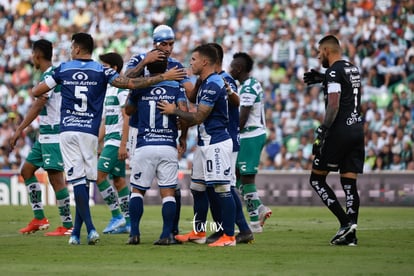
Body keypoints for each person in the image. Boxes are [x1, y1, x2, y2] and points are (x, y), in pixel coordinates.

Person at [31, 32, 186, 245]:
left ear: (76, 48)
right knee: (92, 181)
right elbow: (129, 83)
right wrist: (163, 79)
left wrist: (41, 90)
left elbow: (37, 91)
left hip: (69, 130)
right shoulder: (102, 70)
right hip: (92, 132)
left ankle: (95, 228)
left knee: (82, 182)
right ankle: (77, 232)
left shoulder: (63, 69)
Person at [158, 44, 236, 247]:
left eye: (193, 60)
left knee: (221, 188)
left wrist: (174, 110)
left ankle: (229, 236)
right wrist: (183, 80)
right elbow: (191, 98)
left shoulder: (214, 84)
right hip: (204, 143)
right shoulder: (204, 81)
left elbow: (199, 116)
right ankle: (199, 232)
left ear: (205, 62)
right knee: (197, 188)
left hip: (217, 143)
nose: (190, 63)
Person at [124, 24, 193, 237]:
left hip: (147, 133)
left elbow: (190, 92)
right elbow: (127, 79)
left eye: (171, 44)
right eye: (165, 44)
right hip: (146, 132)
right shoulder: (139, 60)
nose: (169, 48)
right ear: (155, 44)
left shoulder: (176, 66)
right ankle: (167, 232)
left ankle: (164, 229)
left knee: (138, 188)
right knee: (167, 189)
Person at [9, 39, 74, 236]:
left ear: (37, 55)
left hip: (54, 134)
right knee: (27, 170)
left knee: (56, 180)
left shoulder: (50, 76)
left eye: (32, 54)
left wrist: (20, 128)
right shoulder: (49, 75)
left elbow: (38, 105)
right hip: (44, 134)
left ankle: (67, 225)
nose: (31, 58)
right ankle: (39, 218)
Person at [303, 34, 363, 246]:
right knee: (349, 183)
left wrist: (323, 130)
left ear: (327, 51)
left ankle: (345, 223)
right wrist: (322, 78)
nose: (319, 57)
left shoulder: (334, 71)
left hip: (339, 132)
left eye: (320, 53)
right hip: (357, 130)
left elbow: (335, 104)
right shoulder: (352, 68)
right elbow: (345, 88)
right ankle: (351, 235)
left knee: (316, 179)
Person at [203, 43, 254, 244]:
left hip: (227, 139)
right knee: (215, 186)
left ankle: (240, 228)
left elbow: (236, 101)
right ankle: (225, 228)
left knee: (226, 186)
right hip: (215, 139)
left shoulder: (225, 80)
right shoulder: (212, 80)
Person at [229, 52, 272, 233]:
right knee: (238, 176)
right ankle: (258, 212)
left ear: (238, 68)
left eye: (232, 67)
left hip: (251, 134)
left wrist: (229, 133)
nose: (230, 70)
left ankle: (255, 218)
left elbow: (243, 118)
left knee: (246, 177)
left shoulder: (247, 88)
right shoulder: (248, 84)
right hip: (249, 135)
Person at [96, 52, 130, 234]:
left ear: (114, 68)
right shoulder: (108, 90)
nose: (101, 69)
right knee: (118, 181)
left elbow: (127, 117)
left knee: (99, 176)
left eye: (104, 66)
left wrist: (124, 144)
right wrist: (96, 142)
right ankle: (128, 223)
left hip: (117, 141)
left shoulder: (121, 89)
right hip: (110, 139)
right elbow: (105, 122)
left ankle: (117, 215)